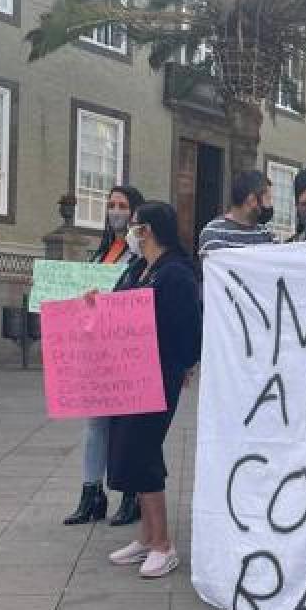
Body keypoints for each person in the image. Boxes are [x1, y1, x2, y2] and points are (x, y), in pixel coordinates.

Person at [106, 202, 202, 577]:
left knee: (143, 451)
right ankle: (146, 538)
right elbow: (117, 306)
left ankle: (163, 543)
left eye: (135, 226)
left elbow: (188, 328)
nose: (130, 231)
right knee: (129, 450)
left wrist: (182, 366)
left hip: (157, 375)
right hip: (128, 374)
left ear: (148, 230)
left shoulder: (175, 273)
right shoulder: (138, 269)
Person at [64, 185, 146, 527]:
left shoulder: (140, 256)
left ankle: (132, 495)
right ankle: (91, 493)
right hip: (97, 352)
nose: (115, 211)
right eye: (111, 205)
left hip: (128, 352)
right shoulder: (99, 256)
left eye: (122, 206)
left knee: (129, 428)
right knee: (95, 425)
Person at [197, 170, 276, 258]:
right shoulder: (214, 235)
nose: (270, 205)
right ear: (252, 200)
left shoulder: (267, 235)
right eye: (268, 199)